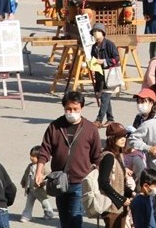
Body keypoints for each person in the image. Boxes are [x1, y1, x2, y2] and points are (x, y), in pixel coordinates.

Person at [34, 91, 104, 228]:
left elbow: (97, 157)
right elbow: (44, 151)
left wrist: (100, 180)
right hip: (58, 181)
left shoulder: (90, 129)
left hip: (80, 181)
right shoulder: (55, 127)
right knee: (64, 218)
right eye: (68, 109)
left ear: (81, 108)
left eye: (75, 109)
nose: (71, 112)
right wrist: (38, 172)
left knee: (75, 217)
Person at [96, 123, 135, 228]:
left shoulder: (119, 155)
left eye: (124, 136)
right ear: (112, 138)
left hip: (118, 207)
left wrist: (131, 193)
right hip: (111, 208)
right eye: (119, 136)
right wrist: (121, 199)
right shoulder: (109, 157)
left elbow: (118, 182)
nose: (123, 139)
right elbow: (103, 183)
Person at [89, 24, 122, 127]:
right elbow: (93, 59)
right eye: (94, 31)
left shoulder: (109, 44)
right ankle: (110, 118)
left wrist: (103, 61)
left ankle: (99, 120)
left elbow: (116, 59)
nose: (95, 33)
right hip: (100, 76)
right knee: (106, 98)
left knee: (105, 97)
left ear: (102, 32)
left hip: (110, 75)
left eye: (98, 31)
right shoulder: (94, 47)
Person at [19, 145, 56, 222]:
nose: (31, 158)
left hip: (39, 190)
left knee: (44, 202)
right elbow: (26, 174)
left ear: (39, 157)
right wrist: (23, 181)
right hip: (31, 189)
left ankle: (49, 213)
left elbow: (49, 175)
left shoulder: (44, 166)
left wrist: (43, 181)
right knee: (29, 203)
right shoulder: (30, 166)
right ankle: (26, 216)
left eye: (33, 156)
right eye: (31, 155)